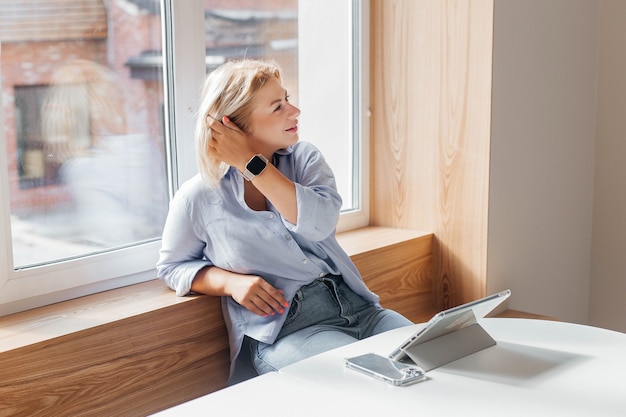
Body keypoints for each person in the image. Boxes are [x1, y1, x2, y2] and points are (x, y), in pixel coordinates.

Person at [156, 59, 412, 384]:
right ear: (234, 124)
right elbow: (171, 266)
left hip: (360, 309)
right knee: (376, 387)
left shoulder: (305, 159)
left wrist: (252, 164)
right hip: (288, 331)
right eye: (278, 107)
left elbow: (318, 225)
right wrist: (230, 283)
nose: (295, 111)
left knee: (442, 364)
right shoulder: (199, 197)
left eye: (287, 99)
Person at [41, 59, 168, 246]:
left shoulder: (90, 164)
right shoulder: (134, 148)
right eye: (119, 97)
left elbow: (120, 235)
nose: (126, 104)